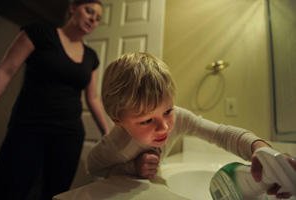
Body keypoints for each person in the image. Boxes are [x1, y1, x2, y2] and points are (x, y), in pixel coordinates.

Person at [87, 52, 296, 199]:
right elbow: (93, 166)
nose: (165, 128)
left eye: (167, 111)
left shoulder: (179, 118)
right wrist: (132, 167)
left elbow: (221, 134)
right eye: (147, 120)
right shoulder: (115, 144)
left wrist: (261, 149)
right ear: (118, 121)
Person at [0, 0, 109, 199]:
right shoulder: (40, 33)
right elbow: (6, 70)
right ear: (73, 8)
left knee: (55, 193)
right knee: (10, 188)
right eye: (89, 11)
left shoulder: (91, 56)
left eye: (98, 18)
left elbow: (93, 98)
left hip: (69, 135)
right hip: (29, 127)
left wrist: (109, 132)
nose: (93, 19)